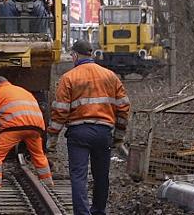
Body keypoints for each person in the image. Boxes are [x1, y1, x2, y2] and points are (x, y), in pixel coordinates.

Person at [47, 39, 131, 215]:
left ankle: (82, 213)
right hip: (103, 132)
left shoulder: (68, 78)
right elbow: (123, 107)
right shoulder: (110, 76)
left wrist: (52, 138)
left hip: (79, 133)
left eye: (72, 55)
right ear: (91, 54)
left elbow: (60, 111)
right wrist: (119, 136)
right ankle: (99, 211)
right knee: (101, 176)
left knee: (79, 176)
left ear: (76, 55)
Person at [0, 76, 53, 189]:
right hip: (36, 128)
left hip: (14, 127)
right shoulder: (23, 91)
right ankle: (47, 182)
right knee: (38, 155)